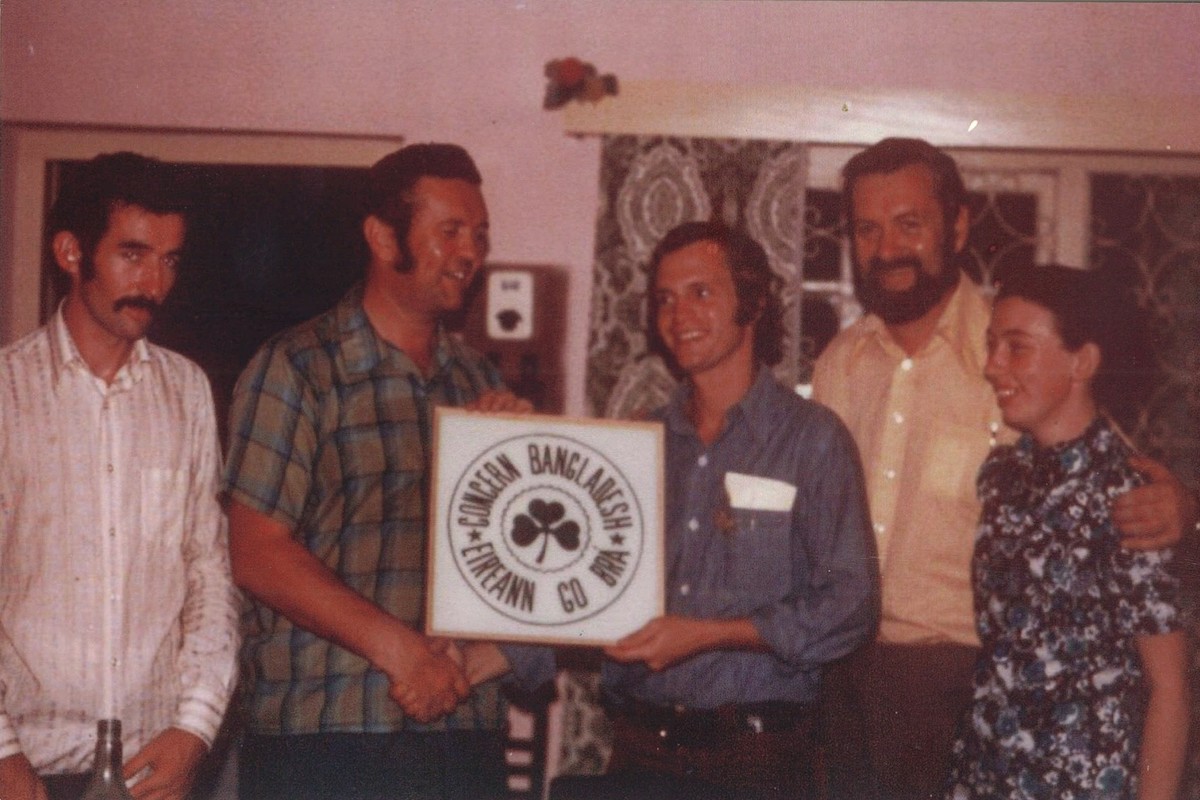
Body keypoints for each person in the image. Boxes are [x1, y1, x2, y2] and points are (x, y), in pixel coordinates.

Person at [811, 137, 1197, 800]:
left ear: (958, 226)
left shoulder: (1017, 353)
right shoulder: (838, 366)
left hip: (961, 685)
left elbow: (1117, 473)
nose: (887, 249)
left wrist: (1187, 508)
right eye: (867, 229)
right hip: (845, 679)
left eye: (910, 224)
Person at [514, 221, 878, 800]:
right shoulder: (635, 447)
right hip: (638, 753)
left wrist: (709, 636)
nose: (678, 313)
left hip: (758, 763)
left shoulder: (812, 440)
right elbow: (581, 590)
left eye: (701, 292)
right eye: (664, 297)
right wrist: (483, 651)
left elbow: (850, 607)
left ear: (753, 303)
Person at [222, 143, 531, 800]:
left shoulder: (480, 382)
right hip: (325, 740)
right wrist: (401, 650)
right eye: (449, 231)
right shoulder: (298, 367)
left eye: (478, 234)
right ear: (382, 234)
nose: (469, 252)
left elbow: (512, 574)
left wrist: (518, 458)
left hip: (461, 736)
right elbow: (253, 551)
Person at [0, 152, 240, 800]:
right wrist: (2, 754)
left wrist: (195, 727)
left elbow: (209, 573)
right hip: (27, 766)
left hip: (153, 768)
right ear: (71, 251)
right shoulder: (7, 391)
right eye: (132, 255)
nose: (154, 283)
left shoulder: (187, 390)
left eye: (170, 260)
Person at [945, 265, 1188, 800]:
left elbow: (1168, 687)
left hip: (1081, 783)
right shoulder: (1003, 477)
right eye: (991, 346)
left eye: (1017, 348)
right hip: (986, 773)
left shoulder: (1129, 494)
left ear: (1083, 361)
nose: (992, 367)